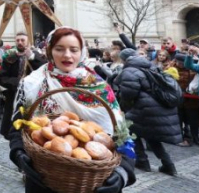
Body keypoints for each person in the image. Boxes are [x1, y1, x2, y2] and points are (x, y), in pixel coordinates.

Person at [8, 26, 136, 193]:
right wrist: (18, 153)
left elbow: (122, 135)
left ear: (81, 52)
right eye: (59, 49)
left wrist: (122, 173)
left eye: (74, 50)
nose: (67, 55)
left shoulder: (101, 88)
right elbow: (16, 127)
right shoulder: (33, 83)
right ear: (49, 50)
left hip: (95, 182)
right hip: (44, 179)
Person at [116, 55, 181, 175]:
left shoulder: (129, 71)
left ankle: (142, 161)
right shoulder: (151, 66)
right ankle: (168, 165)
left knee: (132, 132)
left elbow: (128, 94)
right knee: (151, 136)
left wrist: (122, 107)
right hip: (155, 108)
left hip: (143, 109)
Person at [0, 32, 46, 137]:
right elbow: (1, 78)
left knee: (32, 130)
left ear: (28, 41)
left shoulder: (36, 55)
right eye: (18, 40)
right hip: (14, 97)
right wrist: (19, 82)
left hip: (32, 98)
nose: (20, 42)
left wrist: (32, 58)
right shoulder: (9, 56)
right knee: (13, 129)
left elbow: (44, 71)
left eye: (22, 40)